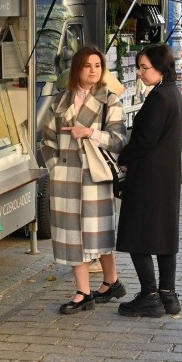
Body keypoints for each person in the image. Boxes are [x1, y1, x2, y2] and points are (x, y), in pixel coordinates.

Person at [41, 46, 128, 314]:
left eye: (98, 65)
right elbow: (46, 139)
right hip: (65, 179)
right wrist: (56, 169)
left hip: (95, 177)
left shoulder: (109, 100)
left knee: (99, 233)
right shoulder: (59, 100)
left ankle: (111, 281)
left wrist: (90, 132)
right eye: (87, 65)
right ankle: (83, 291)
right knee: (72, 237)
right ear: (77, 68)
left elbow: (119, 139)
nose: (93, 70)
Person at [115, 43, 182, 318]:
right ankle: (169, 295)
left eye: (144, 68)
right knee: (164, 234)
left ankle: (149, 295)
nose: (140, 73)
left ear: (160, 68)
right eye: (140, 68)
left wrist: (124, 156)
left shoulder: (159, 97)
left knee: (137, 234)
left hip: (148, 177)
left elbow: (144, 139)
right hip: (166, 176)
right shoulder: (172, 93)